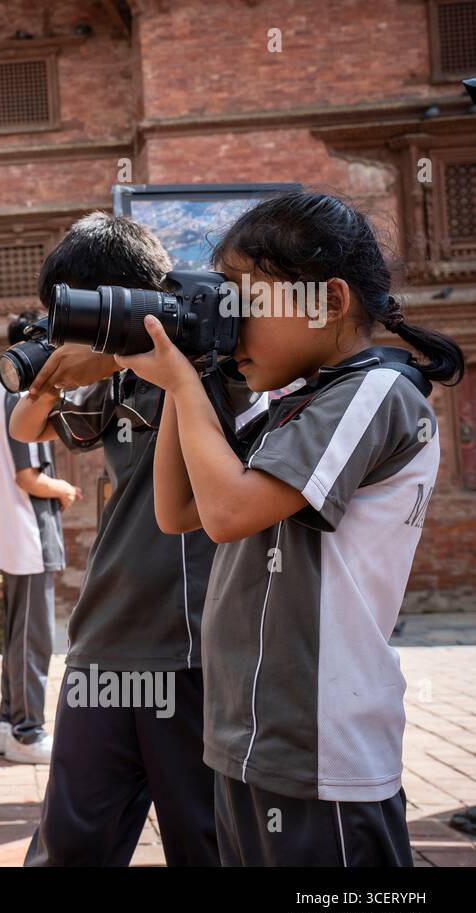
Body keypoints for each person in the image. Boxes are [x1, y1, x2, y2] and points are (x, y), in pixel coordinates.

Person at [124, 191, 465, 866]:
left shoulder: (376, 394)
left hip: (322, 747)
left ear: (329, 301)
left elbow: (227, 514)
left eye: (245, 304)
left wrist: (190, 391)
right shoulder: (292, 404)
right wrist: (180, 379)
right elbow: (181, 510)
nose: (232, 325)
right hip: (249, 731)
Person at [11, 212, 258, 866]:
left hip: (193, 648)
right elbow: (25, 418)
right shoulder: (115, 379)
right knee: (70, 846)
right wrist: (56, 370)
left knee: (204, 843)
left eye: (79, 312)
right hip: (103, 640)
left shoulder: (219, 363)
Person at [0, 312, 77, 764]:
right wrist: (66, 489)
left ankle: (7, 723)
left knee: (17, 633)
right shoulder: (24, 395)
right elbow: (29, 477)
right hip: (29, 531)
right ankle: (27, 730)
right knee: (33, 638)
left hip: (8, 530)